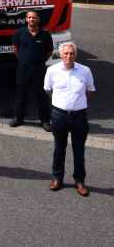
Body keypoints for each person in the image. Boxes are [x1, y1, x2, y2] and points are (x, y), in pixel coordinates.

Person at [44, 42, 96, 197]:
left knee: (79, 151)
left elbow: (90, 91)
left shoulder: (85, 71)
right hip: (59, 115)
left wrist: (77, 104)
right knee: (59, 149)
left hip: (79, 116)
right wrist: (61, 104)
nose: (68, 56)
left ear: (76, 55)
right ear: (60, 55)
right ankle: (57, 178)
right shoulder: (52, 71)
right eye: (65, 53)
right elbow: (48, 90)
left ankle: (79, 181)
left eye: (71, 53)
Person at [10, 10, 54, 130]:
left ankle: (45, 121)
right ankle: (18, 118)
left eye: (34, 18)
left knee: (41, 95)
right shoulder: (19, 33)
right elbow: (15, 48)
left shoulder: (45, 34)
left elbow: (49, 51)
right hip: (23, 68)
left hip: (39, 68)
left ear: (38, 20)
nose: (31, 20)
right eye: (29, 17)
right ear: (26, 19)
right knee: (21, 94)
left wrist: (39, 61)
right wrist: (24, 60)